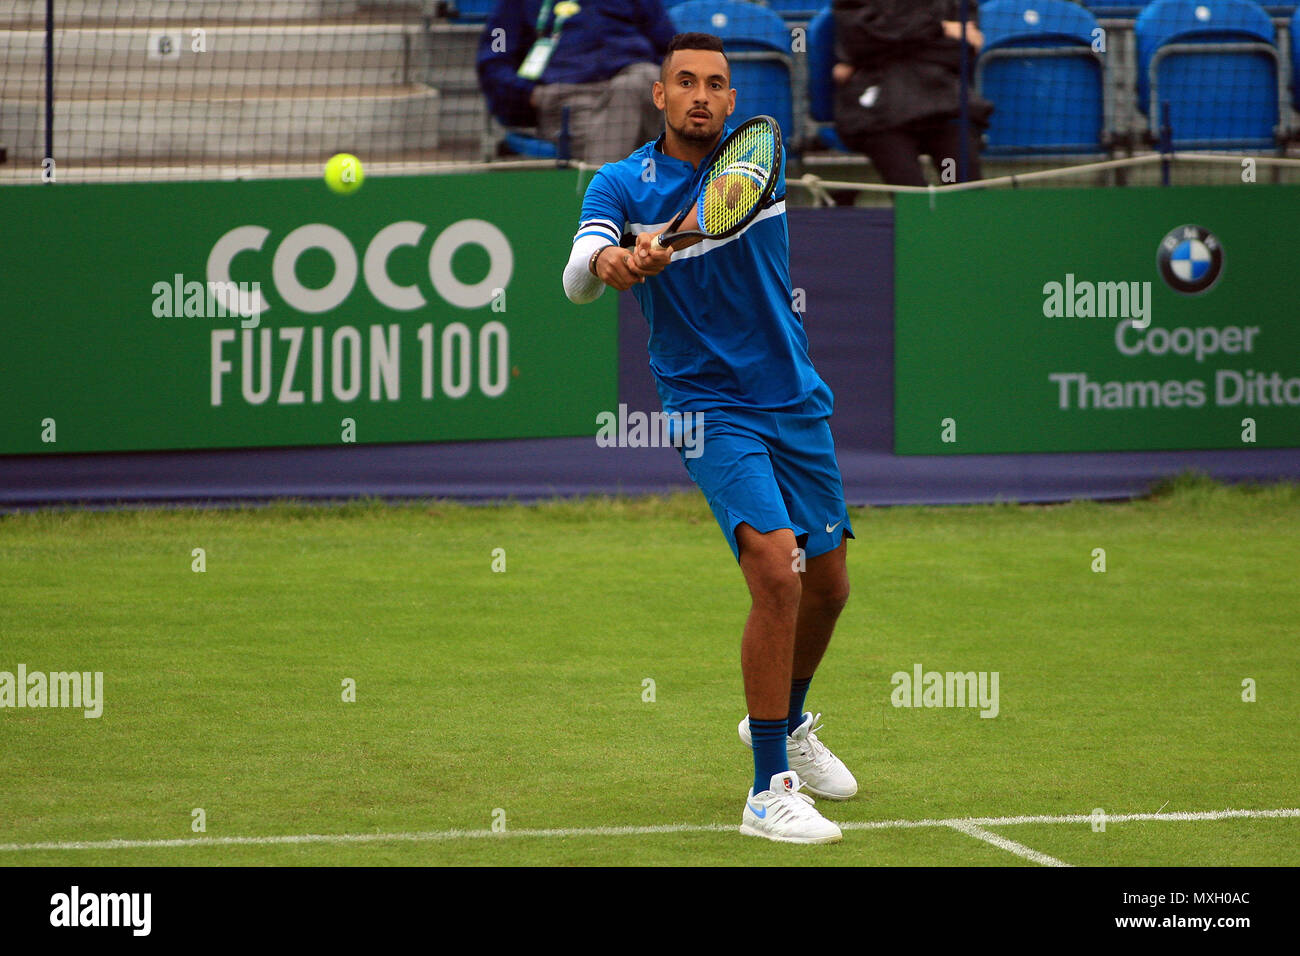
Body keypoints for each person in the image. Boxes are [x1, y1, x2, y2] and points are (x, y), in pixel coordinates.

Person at [562, 32, 858, 844]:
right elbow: (579, 272)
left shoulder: (753, 164)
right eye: (684, 82)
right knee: (776, 569)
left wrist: (660, 245)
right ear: (659, 96)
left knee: (829, 584)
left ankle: (788, 720)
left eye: (715, 85)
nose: (700, 94)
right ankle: (769, 788)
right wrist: (614, 262)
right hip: (704, 403)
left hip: (792, 397)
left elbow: (714, 208)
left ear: (730, 104)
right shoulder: (620, 182)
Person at [476, 0, 675, 165]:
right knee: (619, 140)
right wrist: (531, 96)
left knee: (638, 82)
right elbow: (494, 60)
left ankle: (601, 204)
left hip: (640, 88)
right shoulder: (515, 5)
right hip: (570, 100)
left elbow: (671, 48)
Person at [831, 0, 991, 190]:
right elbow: (859, 41)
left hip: (944, 106)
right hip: (879, 113)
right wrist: (940, 28)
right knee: (914, 200)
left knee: (969, 195)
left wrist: (882, 45)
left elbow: (961, 50)